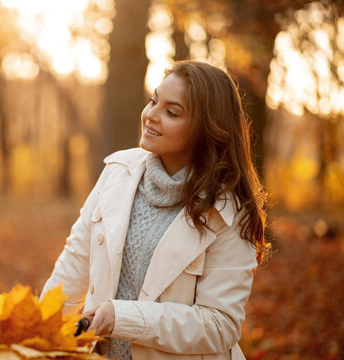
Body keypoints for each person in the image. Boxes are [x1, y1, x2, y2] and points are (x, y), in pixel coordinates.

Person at [41, 60, 268, 360]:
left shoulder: (227, 212)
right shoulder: (117, 172)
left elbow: (220, 325)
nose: (151, 115)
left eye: (171, 112)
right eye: (153, 101)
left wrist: (123, 317)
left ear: (206, 129)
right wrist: (35, 336)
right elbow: (72, 268)